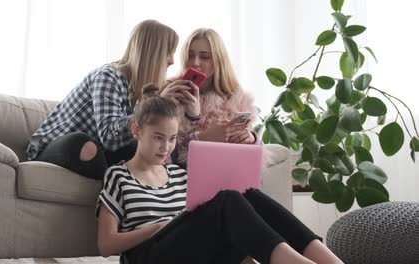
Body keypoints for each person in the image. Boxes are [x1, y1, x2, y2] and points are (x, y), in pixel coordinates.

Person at [96, 84, 343, 264]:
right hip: (147, 255)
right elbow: (106, 245)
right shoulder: (119, 175)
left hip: (187, 251)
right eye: (158, 138)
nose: (166, 147)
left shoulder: (179, 174)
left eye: (172, 139)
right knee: (228, 199)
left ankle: (329, 260)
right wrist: (161, 225)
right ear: (137, 131)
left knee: (249, 195)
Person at [25, 20, 200, 180]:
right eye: (169, 52)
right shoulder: (109, 76)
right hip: (56, 148)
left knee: (146, 154)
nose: (171, 60)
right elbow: (110, 137)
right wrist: (152, 108)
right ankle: (120, 189)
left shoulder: (144, 89)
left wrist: (192, 115)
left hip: (101, 152)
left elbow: (157, 141)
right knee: (83, 144)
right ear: (152, 53)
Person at [172, 28, 258, 166]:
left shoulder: (235, 96)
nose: (195, 62)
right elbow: (164, 152)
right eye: (190, 55)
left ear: (219, 60)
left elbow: (250, 157)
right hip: (184, 173)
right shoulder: (172, 92)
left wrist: (251, 139)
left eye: (205, 57)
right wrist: (201, 139)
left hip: (228, 168)